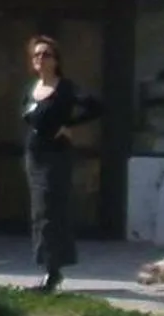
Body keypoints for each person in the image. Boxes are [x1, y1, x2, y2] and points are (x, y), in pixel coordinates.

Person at [22, 35, 103, 294]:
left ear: (56, 60)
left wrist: (69, 126)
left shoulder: (65, 88)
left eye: (46, 54)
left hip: (56, 158)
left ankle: (52, 271)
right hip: (34, 157)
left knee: (50, 213)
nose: (40, 59)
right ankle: (47, 266)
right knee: (38, 213)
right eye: (36, 55)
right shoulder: (32, 89)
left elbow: (96, 106)